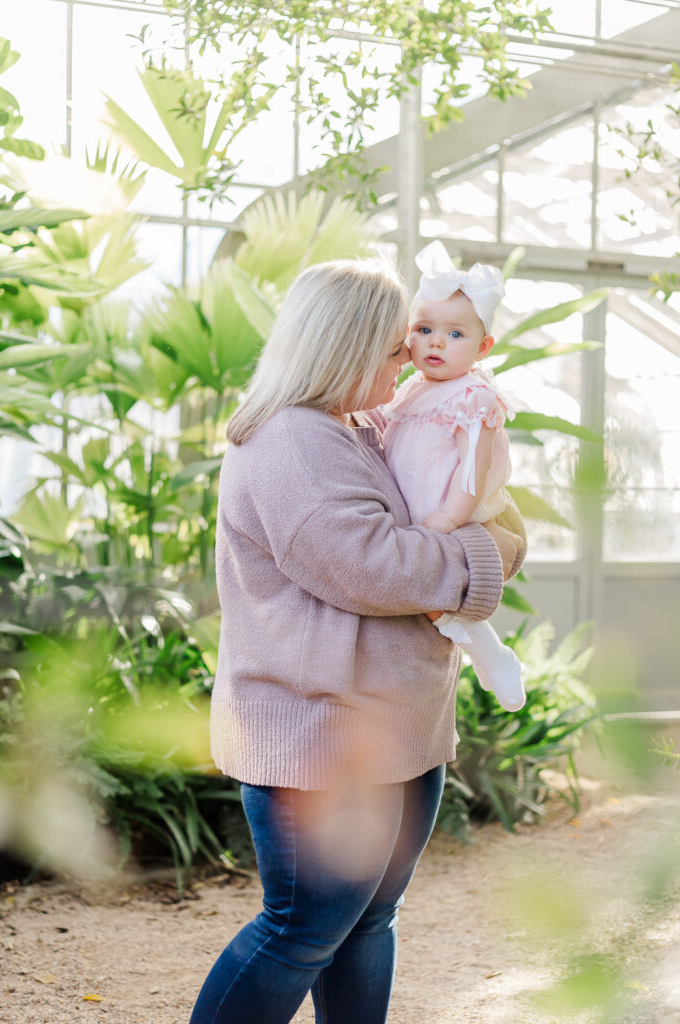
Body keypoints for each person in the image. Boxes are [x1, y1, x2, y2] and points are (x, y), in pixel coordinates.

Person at [190, 257, 526, 1024]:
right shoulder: (289, 443)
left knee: (369, 919)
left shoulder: (358, 425)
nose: (408, 357)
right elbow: (371, 567)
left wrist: (484, 525)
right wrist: (487, 553)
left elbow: (476, 507)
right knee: (301, 929)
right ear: (342, 348)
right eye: (392, 345)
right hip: (323, 732)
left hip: (390, 722)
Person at [382, 241, 526, 713]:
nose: (436, 342)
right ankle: (486, 653)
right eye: (424, 330)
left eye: (455, 334)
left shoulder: (473, 396)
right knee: (419, 599)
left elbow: (473, 468)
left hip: (449, 515)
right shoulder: (409, 390)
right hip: (413, 516)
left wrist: (448, 519)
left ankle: (490, 654)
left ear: (483, 347)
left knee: (431, 595)